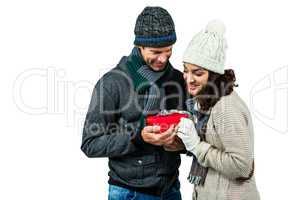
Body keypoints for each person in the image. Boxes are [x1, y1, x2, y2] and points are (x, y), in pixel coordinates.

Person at [81, 6, 186, 200]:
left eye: (168, 51)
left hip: (171, 190)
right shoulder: (112, 83)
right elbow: (90, 144)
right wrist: (137, 137)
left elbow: (193, 132)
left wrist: (182, 143)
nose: (163, 59)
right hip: (129, 193)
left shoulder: (178, 79)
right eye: (156, 52)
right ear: (140, 46)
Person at [176, 20, 260, 200]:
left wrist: (197, 146)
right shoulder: (206, 101)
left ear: (213, 74)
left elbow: (242, 167)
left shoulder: (226, 107)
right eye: (185, 70)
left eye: (197, 73)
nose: (189, 79)